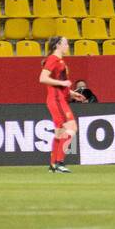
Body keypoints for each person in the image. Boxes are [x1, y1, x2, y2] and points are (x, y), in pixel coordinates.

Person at [40, 36, 85, 173]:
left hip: (59, 98)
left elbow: (57, 81)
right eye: (66, 43)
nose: (68, 46)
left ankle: (53, 165)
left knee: (60, 132)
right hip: (56, 100)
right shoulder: (53, 59)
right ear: (58, 45)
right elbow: (43, 78)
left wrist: (71, 93)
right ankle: (59, 163)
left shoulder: (59, 61)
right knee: (71, 128)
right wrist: (63, 84)